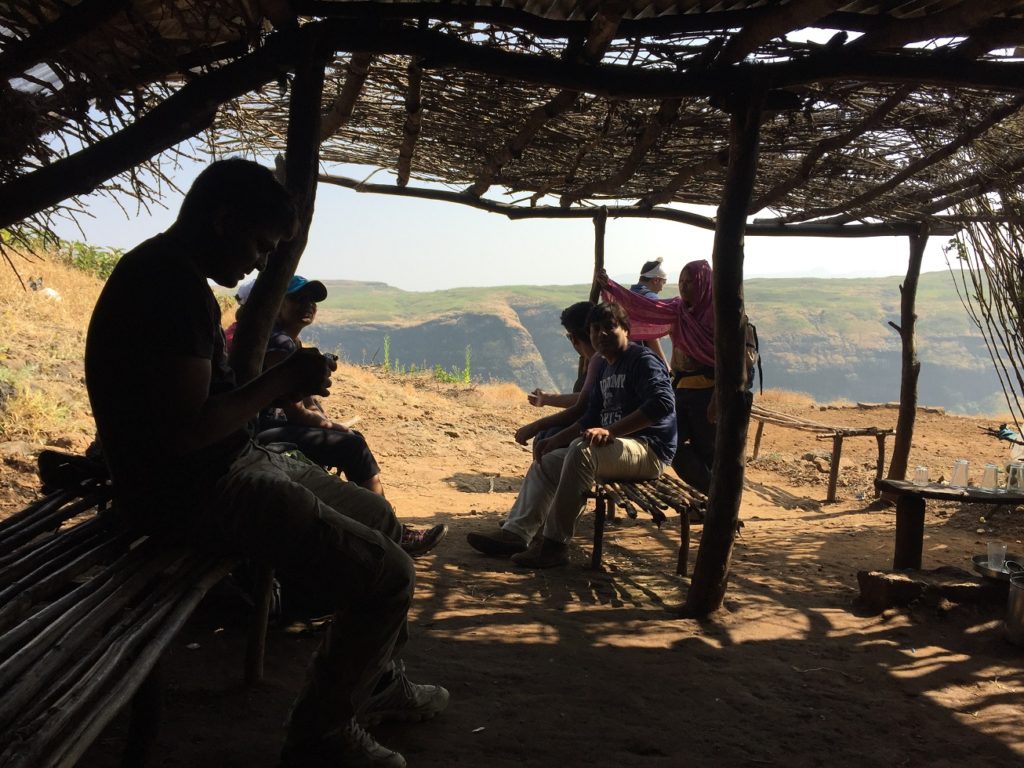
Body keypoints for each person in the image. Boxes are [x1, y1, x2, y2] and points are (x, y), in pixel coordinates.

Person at [84, 158, 447, 768]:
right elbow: (185, 431)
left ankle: (376, 680)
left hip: (232, 465)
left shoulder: (171, 275)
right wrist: (281, 382)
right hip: (194, 493)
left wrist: (279, 388)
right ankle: (320, 737)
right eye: (259, 245)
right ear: (224, 222)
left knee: (380, 520)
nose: (259, 262)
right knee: (391, 576)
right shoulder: (167, 287)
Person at [466, 302, 676, 569]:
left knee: (581, 452)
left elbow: (662, 404)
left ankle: (554, 546)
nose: (601, 335)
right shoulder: (604, 367)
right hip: (615, 449)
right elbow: (588, 416)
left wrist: (610, 430)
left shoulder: (642, 361)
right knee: (549, 459)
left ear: (626, 329)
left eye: (609, 327)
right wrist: (554, 439)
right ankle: (516, 534)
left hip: (649, 450)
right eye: (595, 330)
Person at [254, 274, 447, 557]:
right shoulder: (280, 345)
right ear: (278, 303)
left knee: (346, 440)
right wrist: (333, 428)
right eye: (298, 299)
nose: (307, 305)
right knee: (353, 445)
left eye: (312, 301)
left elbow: (306, 404)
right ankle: (391, 531)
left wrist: (327, 423)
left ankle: (376, 524)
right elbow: (295, 412)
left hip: (268, 425)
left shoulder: (286, 343)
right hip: (262, 430)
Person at [600, 260, 717, 494]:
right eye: (681, 282)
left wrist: (718, 399)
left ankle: (716, 506)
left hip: (709, 393)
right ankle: (710, 496)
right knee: (673, 446)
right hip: (681, 391)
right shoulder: (678, 309)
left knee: (710, 450)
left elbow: (731, 361)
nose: (684, 287)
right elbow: (641, 307)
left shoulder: (718, 317)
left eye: (690, 283)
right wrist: (611, 287)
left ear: (703, 285)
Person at [514, 301, 600, 453]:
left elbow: (584, 403)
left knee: (550, 437)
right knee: (546, 435)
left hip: (602, 430)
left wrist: (540, 420)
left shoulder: (601, 361)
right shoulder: (592, 362)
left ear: (573, 338)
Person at [629, 257, 670, 370]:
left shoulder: (628, 295)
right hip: (644, 360)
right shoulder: (650, 298)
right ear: (655, 280)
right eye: (663, 282)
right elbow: (651, 337)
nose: (662, 287)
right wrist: (666, 366)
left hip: (626, 358)